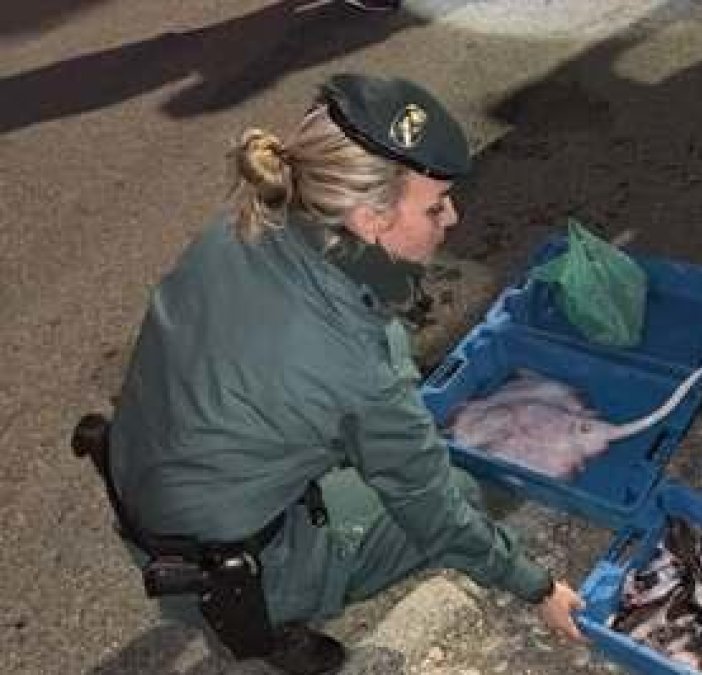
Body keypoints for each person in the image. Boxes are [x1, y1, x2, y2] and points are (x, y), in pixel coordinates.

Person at [103, 73, 585, 674]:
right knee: (459, 492)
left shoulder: (245, 224)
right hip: (221, 552)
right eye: (435, 206)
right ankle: (259, 625)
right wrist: (537, 587)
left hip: (143, 488)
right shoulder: (356, 362)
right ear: (367, 218)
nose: (453, 217)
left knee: (368, 446)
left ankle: (245, 593)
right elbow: (433, 511)